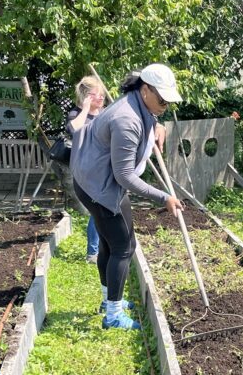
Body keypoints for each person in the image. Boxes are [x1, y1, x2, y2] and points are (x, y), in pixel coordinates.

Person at [71, 63, 183, 330]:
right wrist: (163, 197)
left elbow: (150, 120)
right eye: (162, 100)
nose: (165, 105)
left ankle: (108, 301)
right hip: (100, 187)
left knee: (112, 244)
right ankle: (113, 315)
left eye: (168, 101)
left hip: (93, 180)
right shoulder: (127, 119)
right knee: (123, 247)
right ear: (146, 90)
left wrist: (159, 126)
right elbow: (124, 177)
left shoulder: (140, 105)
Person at [67, 76, 107, 264]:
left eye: (101, 93)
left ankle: (103, 247)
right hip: (87, 170)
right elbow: (75, 130)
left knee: (106, 209)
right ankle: (93, 252)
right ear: (85, 97)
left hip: (106, 168)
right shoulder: (76, 114)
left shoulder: (106, 113)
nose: (100, 97)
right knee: (96, 210)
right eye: (95, 94)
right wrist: (85, 109)